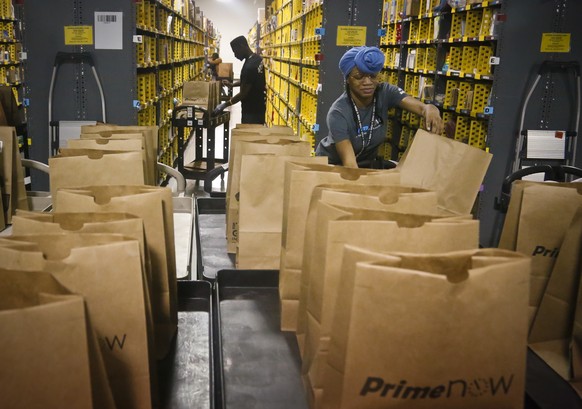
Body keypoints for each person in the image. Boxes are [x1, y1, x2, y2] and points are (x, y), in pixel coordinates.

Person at [315, 46, 444, 168]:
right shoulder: (338, 113)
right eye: (359, 77)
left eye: (373, 76)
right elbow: (350, 165)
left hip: (365, 165)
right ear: (348, 79)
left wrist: (430, 109)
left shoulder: (385, 92)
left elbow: (421, 108)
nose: (367, 82)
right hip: (334, 166)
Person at [212, 36, 266, 124]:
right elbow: (249, 80)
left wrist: (225, 104)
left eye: (235, 51)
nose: (235, 55)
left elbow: (243, 94)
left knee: (249, 135)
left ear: (242, 46)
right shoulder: (257, 59)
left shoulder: (249, 67)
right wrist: (232, 85)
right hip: (259, 108)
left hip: (251, 111)